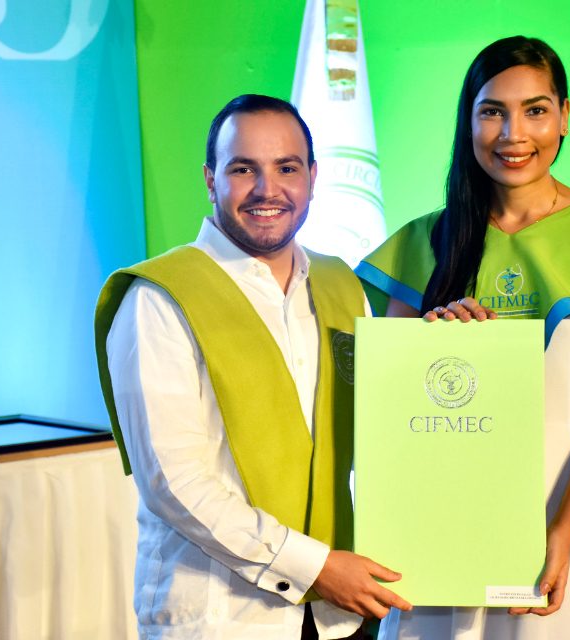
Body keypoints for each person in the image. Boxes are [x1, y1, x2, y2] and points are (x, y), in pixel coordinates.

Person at [355, 36, 570, 639]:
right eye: (492, 112)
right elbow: (392, 408)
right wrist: (436, 344)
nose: (513, 134)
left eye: (535, 110)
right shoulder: (423, 243)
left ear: (564, 116)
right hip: (451, 519)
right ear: (468, 121)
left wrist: (561, 531)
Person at [94, 94, 410, 639]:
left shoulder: (341, 284)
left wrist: (450, 347)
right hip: (222, 616)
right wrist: (315, 568)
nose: (267, 189)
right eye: (244, 169)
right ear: (210, 179)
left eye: (287, 168)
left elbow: (381, 433)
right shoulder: (159, 299)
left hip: (340, 616)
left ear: (312, 177)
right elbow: (174, 482)